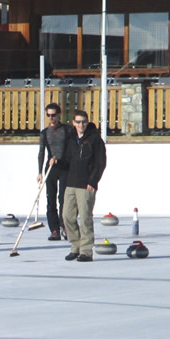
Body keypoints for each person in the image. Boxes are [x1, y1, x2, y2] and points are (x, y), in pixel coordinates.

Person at [56, 110, 106, 262]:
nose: (81, 125)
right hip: (70, 184)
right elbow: (66, 161)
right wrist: (57, 162)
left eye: (83, 121)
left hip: (86, 185)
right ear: (73, 123)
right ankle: (75, 246)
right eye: (78, 122)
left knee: (85, 218)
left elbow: (100, 163)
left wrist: (93, 181)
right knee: (67, 217)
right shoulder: (71, 138)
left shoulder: (95, 139)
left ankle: (86, 251)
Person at [37, 102, 71, 241]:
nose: (51, 118)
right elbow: (41, 152)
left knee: (63, 199)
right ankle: (54, 230)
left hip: (64, 168)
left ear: (59, 114)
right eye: (48, 115)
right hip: (51, 168)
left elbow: (71, 150)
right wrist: (39, 172)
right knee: (50, 199)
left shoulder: (67, 130)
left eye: (53, 115)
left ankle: (64, 227)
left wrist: (62, 160)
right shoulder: (45, 133)